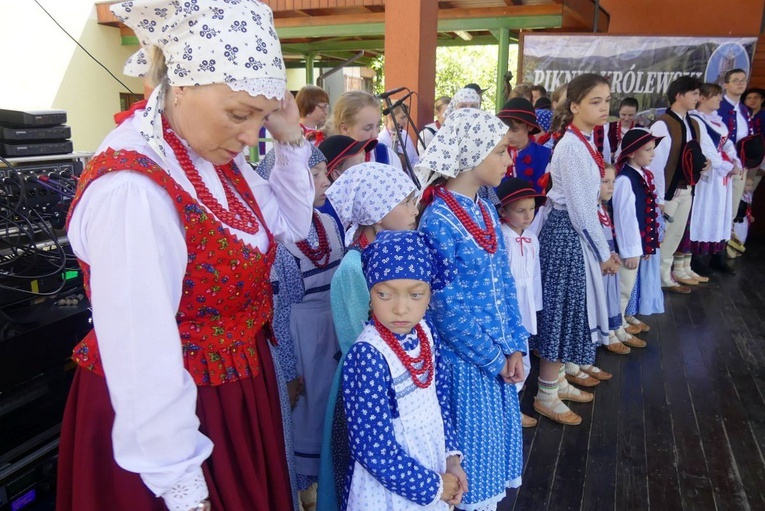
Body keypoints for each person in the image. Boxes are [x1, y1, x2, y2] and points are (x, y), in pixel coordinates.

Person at [56, 2, 314, 511]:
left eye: (262, 117)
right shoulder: (133, 188)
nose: (249, 136)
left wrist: (288, 139)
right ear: (181, 84)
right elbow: (140, 350)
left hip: (236, 391)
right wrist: (182, 485)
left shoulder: (212, 155)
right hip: (169, 420)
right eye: (240, 114)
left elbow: (290, 225)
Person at [416, 108, 529, 510]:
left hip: (497, 359)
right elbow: (444, 307)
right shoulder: (438, 220)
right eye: (501, 151)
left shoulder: (483, 209)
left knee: (491, 458)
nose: (508, 160)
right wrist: (494, 357)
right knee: (469, 470)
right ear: (472, 154)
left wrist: (515, 346)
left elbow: (505, 282)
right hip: (464, 365)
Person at [316, 163, 418, 511]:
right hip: (368, 390)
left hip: (406, 382)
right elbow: (353, 340)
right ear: (376, 212)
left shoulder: (402, 255)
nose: (414, 209)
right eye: (405, 202)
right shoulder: (353, 269)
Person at [341, 230, 466, 510]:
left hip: (432, 463)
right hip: (387, 488)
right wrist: (433, 486)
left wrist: (451, 459)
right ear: (370, 294)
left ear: (430, 294)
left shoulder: (425, 331)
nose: (400, 308)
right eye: (385, 294)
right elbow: (372, 448)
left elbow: (440, 399)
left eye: (415, 294)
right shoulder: (369, 355)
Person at [531, 73, 618, 426]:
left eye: (607, 101)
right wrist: (603, 253)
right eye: (595, 101)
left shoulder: (584, 141)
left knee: (569, 311)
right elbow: (582, 209)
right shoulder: (572, 146)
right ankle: (546, 393)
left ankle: (559, 381)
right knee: (562, 311)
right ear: (575, 106)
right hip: (568, 234)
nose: (604, 108)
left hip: (573, 231)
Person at [268, 145, 344, 509]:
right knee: (303, 414)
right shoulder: (278, 239)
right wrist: (288, 371)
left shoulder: (328, 224)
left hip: (331, 331)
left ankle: (328, 485)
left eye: (324, 173)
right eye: (314, 176)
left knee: (328, 409)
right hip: (300, 342)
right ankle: (306, 493)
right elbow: (278, 312)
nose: (325, 181)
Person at [647, 75, 709, 294]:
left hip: (687, 188)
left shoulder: (693, 123)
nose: (698, 98)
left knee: (674, 236)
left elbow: (694, 154)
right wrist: (660, 197)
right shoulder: (663, 124)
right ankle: (651, 281)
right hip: (669, 193)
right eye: (693, 93)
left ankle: (664, 277)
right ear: (678, 96)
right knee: (661, 237)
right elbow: (655, 164)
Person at [612, 129, 669, 352]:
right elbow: (625, 219)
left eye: (653, 149)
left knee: (628, 288)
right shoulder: (626, 180)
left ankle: (621, 323)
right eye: (648, 150)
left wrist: (647, 244)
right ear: (632, 153)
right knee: (623, 289)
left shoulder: (641, 174)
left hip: (637, 246)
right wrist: (631, 250)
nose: (653, 154)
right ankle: (615, 330)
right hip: (628, 248)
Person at [496, 177, 546, 427]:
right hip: (508, 306)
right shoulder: (501, 239)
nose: (528, 216)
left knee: (523, 354)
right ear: (503, 212)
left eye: (532, 209)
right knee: (511, 358)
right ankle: (508, 409)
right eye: (521, 210)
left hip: (525, 307)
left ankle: (512, 406)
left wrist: (535, 307)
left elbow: (534, 275)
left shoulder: (532, 238)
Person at [689, 83, 739, 274]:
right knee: (705, 211)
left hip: (722, 176)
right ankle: (697, 257)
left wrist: (734, 161)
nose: (720, 99)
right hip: (709, 175)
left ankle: (717, 255)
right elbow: (707, 148)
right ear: (702, 98)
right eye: (716, 96)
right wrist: (726, 166)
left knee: (721, 213)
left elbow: (727, 145)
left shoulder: (718, 121)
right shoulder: (696, 120)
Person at [716, 69, 759, 238]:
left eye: (743, 80)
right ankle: (701, 252)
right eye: (736, 80)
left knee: (732, 209)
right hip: (722, 166)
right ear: (726, 85)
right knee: (716, 208)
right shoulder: (719, 107)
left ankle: (720, 252)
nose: (741, 83)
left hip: (741, 166)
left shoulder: (744, 109)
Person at [324, 90, 402, 170]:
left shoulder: (386, 156)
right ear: (344, 129)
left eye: (377, 126)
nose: (375, 135)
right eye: (368, 128)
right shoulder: (325, 163)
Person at [497, 97, 551, 193]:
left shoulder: (545, 155)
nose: (509, 135)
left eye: (515, 130)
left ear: (529, 127)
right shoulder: (495, 155)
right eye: (505, 129)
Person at [378, 103, 419, 168]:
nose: (405, 122)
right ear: (391, 117)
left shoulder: (405, 135)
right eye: (402, 118)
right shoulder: (381, 139)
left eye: (406, 118)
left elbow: (415, 159)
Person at [601, 97, 641, 164]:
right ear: (619, 112)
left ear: (636, 113)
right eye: (623, 114)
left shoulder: (640, 130)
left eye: (631, 115)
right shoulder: (608, 127)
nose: (626, 118)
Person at [729, 176, 756, 257]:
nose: (750, 187)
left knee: (742, 234)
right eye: (748, 185)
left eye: (751, 185)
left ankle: (739, 249)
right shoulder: (738, 195)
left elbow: (748, 208)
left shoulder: (749, 196)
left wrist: (750, 216)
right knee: (735, 234)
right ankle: (731, 250)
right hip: (736, 219)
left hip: (744, 219)